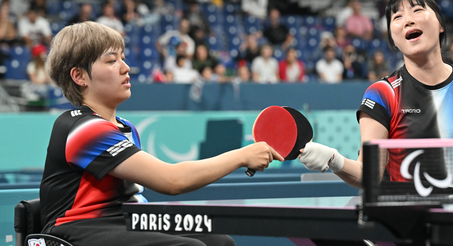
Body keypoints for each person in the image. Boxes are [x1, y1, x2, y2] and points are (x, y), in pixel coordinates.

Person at [41, 21, 282, 246]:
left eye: (123, 58)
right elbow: (172, 180)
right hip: (76, 230)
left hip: (124, 221)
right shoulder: (84, 128)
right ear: (79, 76)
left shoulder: (124, 127)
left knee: (218, 241)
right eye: (112, 61)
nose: (126, 68)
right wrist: (242, 156)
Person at [299, 0, 453, 198]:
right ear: (393, 37)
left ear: (441, 25)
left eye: (417, 10)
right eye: (397, 17)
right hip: (407, 221)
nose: (408, 20)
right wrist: (334, 159)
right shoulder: (383, 93)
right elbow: (369, 174)